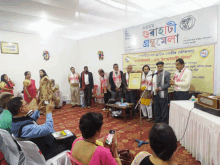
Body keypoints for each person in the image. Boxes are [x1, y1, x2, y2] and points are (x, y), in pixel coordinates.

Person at [8, 97, 76, 160]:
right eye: (26, 104)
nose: (28, 105)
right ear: (21, 109)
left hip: (44, 142)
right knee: (71, 137)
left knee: (69, 133)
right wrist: (49, 112)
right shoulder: (25, 128)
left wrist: (38, 109)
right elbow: (48, 128)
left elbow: (31, 120)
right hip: (47, 150)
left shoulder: (16, 121)